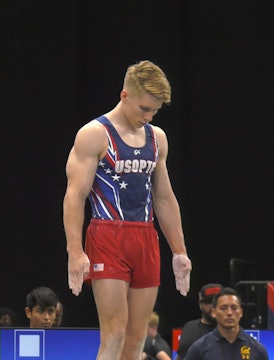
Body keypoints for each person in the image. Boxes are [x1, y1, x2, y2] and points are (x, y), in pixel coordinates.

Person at [63, 59, 192, 360]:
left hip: (146, 239)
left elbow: (163, 197)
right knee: (114, 335)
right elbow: (74, 195)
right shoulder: (94, 134)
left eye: (155, 111)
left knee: (136, 338)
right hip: (107, 236)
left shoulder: (157, 138)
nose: (148, 117)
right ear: (125, 96)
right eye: (143, 109)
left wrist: (180, 251)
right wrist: (75, 251)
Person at [185, 287, 268, 360]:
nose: (229, 313)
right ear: (214, 313)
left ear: (241, 313)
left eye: (234, 308)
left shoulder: (257, 350)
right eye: (223, 308)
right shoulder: (199, 349)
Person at [176, 283, 223, 360]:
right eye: (209, 302)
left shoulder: (230, 331)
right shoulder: (189, 327)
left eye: (217, 302)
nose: (213, 306)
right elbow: (181, 356)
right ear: (200, 305)